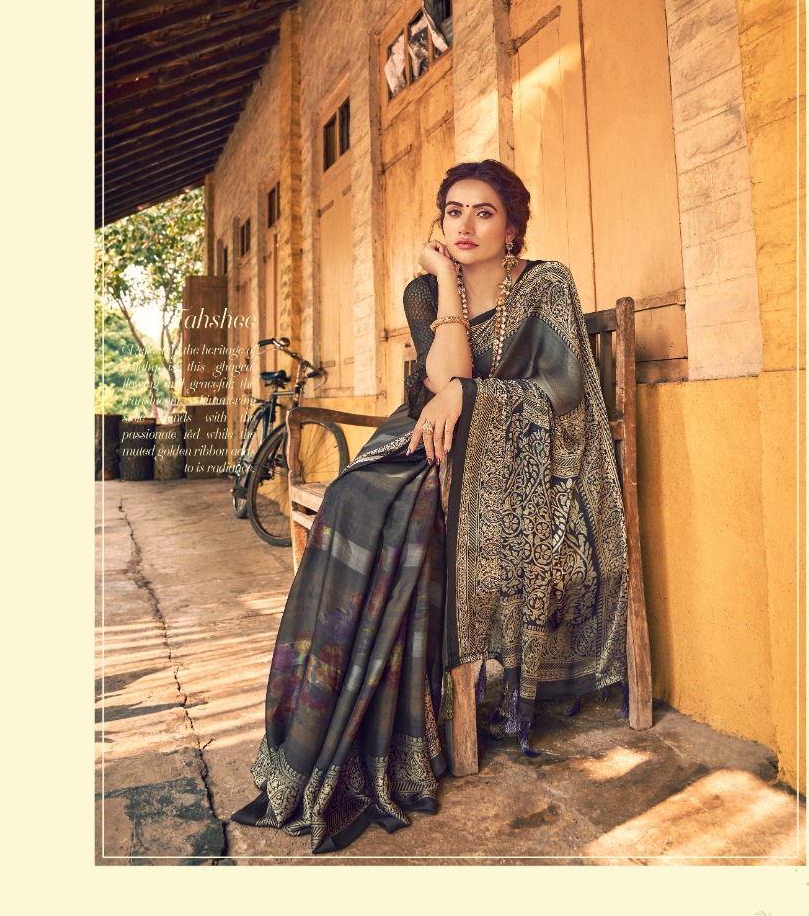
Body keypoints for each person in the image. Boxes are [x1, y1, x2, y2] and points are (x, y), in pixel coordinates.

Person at [231, 160, 628, 854]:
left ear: (512, 226)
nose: (466, 225)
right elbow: (444, 378)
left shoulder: (545, 283)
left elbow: (563, 390)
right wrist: (445, 281)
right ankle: (325, 721)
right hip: (433, 437)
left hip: (516, 458)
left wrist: (467, 400)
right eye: (453, 211)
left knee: (394, 513)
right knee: (351, 500)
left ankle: (400, 726)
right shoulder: (426, 290)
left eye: (484, 212)